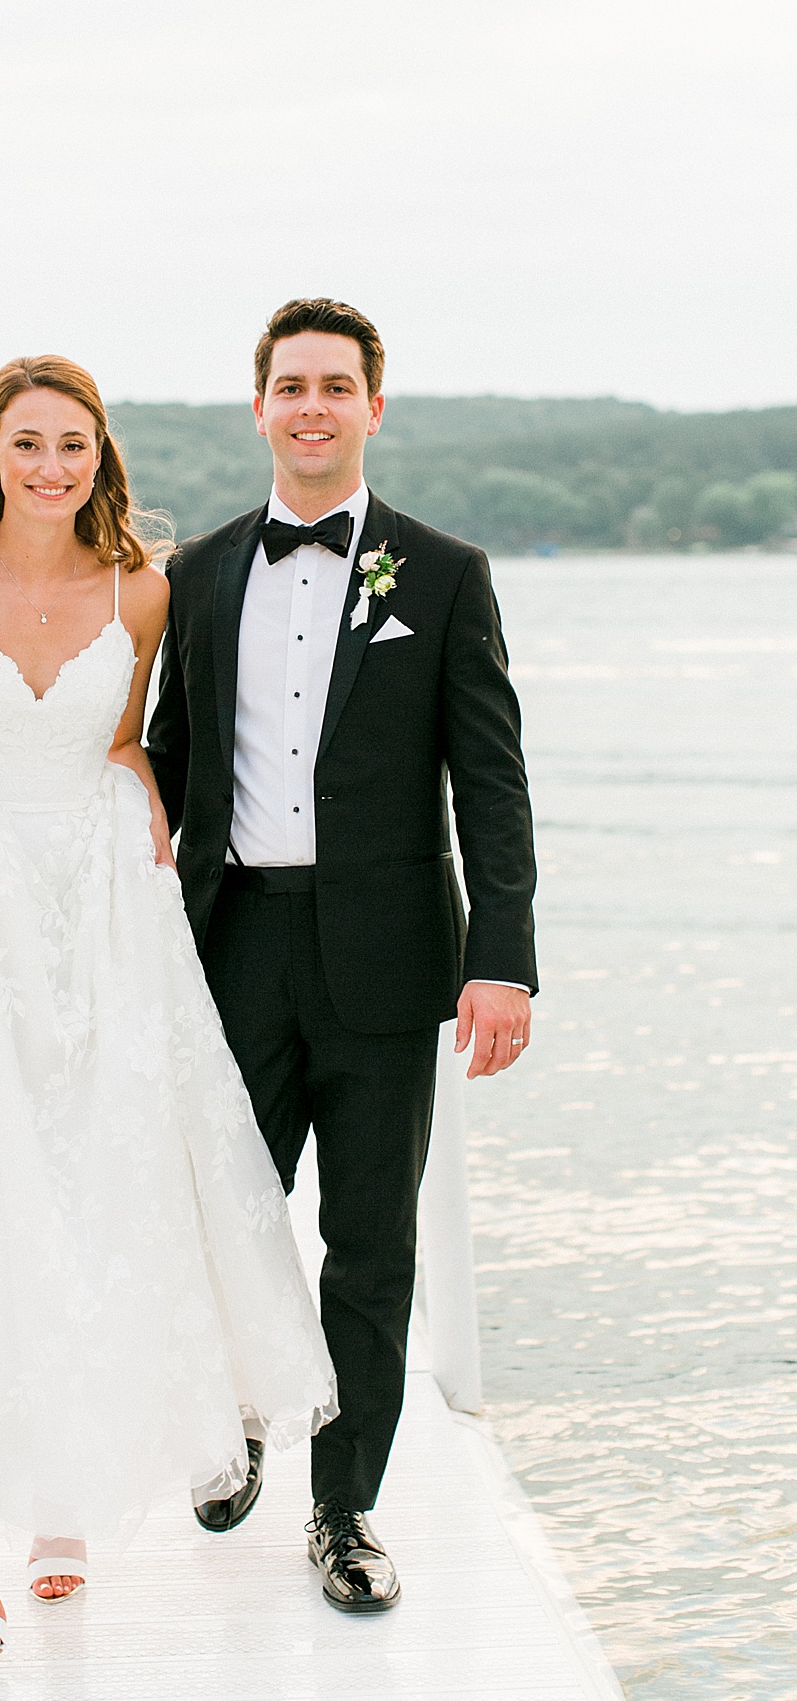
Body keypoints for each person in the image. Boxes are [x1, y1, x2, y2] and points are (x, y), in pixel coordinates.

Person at [0, 355, 335, 1659]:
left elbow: (135, 734)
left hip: (100, 922)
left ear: (100, 460)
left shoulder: (142, 592)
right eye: (26, 444)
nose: (49, 468)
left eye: (72, 447)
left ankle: (68, 1501)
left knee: (96, 1196)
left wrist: (142, 773)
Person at [146, 298, 537, 1614]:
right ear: (257, 406)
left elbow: (491, 781)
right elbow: (164, 770)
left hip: (386, 957)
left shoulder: (439, 574)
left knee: (370, 1249)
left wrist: (506, 956)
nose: (312, 406)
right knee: (225, 1221)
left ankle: (344, 1513)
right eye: (290, 385)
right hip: (233, 942)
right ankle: (235, 1425)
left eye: (336, 386)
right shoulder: (196, 574)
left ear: (375, 406)